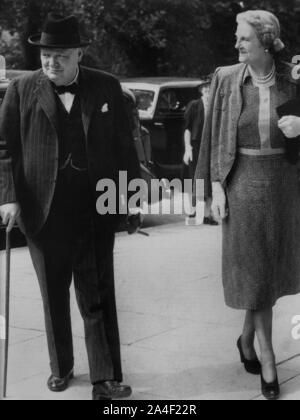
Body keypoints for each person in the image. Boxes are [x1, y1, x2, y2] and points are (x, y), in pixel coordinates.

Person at [0, 13, 141, 401]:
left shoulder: (107, 87)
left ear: (79, 52)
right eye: (46, 55)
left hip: (93, 210)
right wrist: (8, 196)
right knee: (54, 296)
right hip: (42, 213)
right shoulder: (22, 89)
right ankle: (60, 368)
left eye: (60, 55)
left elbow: (124, 148)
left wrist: (128, 200)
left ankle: (105, 377)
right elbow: (3, 147)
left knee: (97, 295)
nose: (51, 63)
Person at [195, 10, 300, 400]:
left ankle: (244, 339)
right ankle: (268, 358)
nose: (236, 44)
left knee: (266, 273)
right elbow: (210, 138)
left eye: (244, 38)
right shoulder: (225, 78)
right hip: (240, 183)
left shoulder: (293, 74)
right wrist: (212, 190)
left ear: (267, 41)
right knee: (254, 275)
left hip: (284, 184)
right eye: (237, 37)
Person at [183, 82, 218, 225]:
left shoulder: (217, 105)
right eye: (206, 89)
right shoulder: (194, 105)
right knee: (196, 178)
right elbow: (187, 129)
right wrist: (188, 148)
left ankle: (206, 215)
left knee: (210, 179)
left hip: (212, 146)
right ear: (201, 91)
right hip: (196, 146)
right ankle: (194, 211)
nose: (208, 91)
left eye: (210, 88)